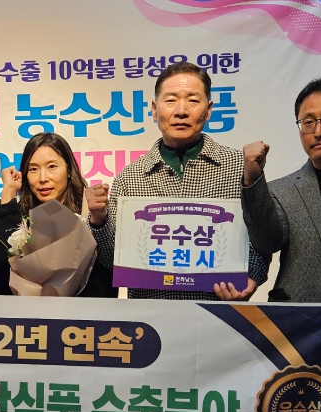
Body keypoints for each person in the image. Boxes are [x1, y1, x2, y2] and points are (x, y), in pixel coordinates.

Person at [86, 62, 268, 300]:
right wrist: (98, 220)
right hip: (150, 315)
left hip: (220, 312)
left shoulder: (239, 167)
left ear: (209, 109)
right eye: (171, 100)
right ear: (154, 109)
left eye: (193, 100)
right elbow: (113, 261)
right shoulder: (129, 177)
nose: (181, 111)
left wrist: (252, 276)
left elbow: (263, 236)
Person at [242, 77, 321, 302]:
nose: (319, 131)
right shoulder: (280, 191)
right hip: (301, 317)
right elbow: (266, 243)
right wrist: (253, 179)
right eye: (308, 122)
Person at [0, 132, 118, 297]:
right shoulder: (18, 217)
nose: (43, 178)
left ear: (69, 170)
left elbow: (109, 270)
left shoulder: (90, 211)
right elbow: (1, 275)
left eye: (52, 167)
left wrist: (99, 219)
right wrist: (9, 191)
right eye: (33, 169)